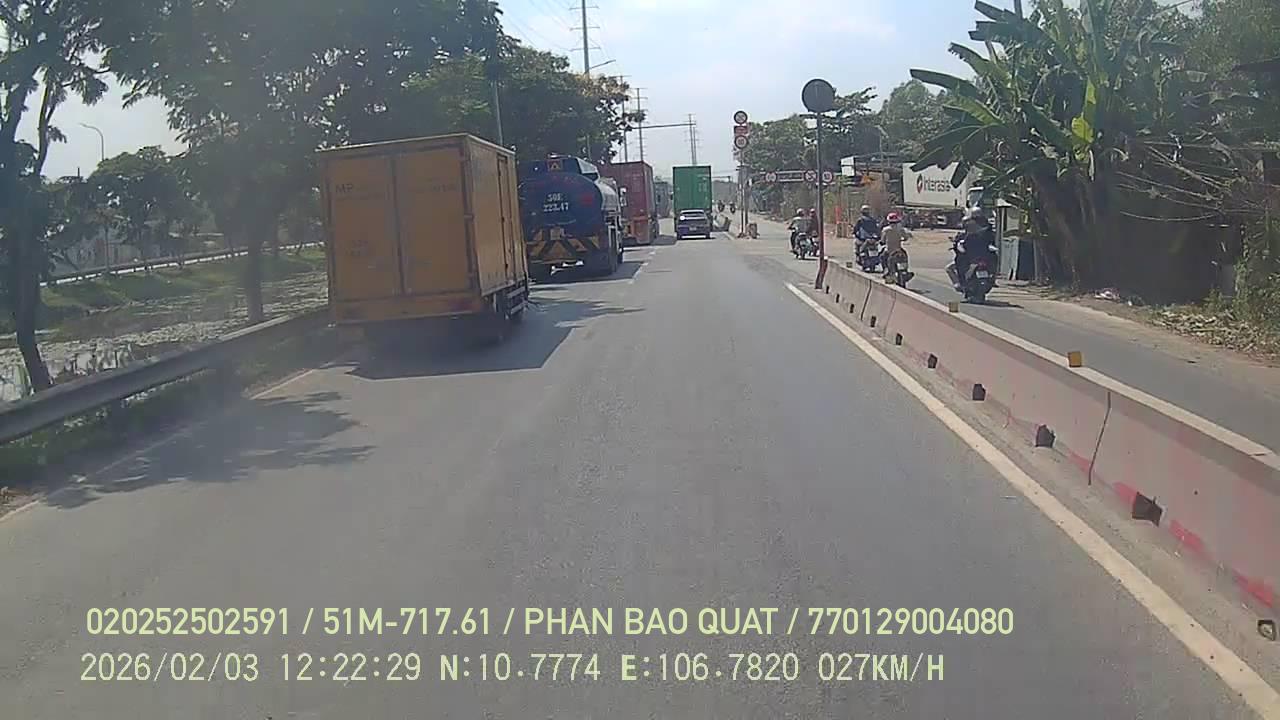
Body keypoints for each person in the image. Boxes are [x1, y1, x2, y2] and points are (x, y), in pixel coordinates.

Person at [946, 207, 998, 290]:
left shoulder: (970, 224)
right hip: (981, 254)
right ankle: (991, 279)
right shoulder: (986, 225)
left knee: (955, 265)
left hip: (973, 255)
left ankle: (960, 283)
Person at [881, 212, 912, 278]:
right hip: (898, 249)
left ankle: (886, 270)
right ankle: (906, 270)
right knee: (905, 256)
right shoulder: (900, 229)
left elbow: (883, 240)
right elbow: (906, 237)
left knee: (882, 257)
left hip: (889, 250)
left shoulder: (885, 229)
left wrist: (882, 242)